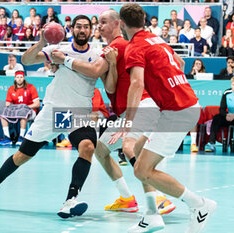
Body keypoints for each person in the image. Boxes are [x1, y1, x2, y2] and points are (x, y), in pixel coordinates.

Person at [0, 15, 100, 220]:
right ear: (72, 30)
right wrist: (42, 42)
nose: (82, 30)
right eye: (78, 26)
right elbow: (26, 60)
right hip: (54, 110)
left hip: (79, 111)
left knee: (87, 147)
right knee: (22, 156)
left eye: (86, 27)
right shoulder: (58, 49)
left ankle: (70, 200)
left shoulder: (97, 54)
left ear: (91, 31)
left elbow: (99, 72)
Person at [51, 9, 175, 216]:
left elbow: (94, 71)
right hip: (126, 111)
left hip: (141, 106)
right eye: (98, 22)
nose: (99, 25)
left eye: (103, 22)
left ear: (118, 24)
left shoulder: (118, 44)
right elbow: (110, 87)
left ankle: (159, 197)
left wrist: (64, 60)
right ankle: (127, 198)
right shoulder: (113, 49)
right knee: (100, 149)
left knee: (130, 147)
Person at [113, 3, 217, 232]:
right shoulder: (157, 39)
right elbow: (179, 63)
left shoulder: (134, 47)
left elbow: (137, 83)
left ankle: (199, 205)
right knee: (139, 156)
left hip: (176, 111)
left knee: (142, 170)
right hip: (181, 106)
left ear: (122, 23)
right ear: (143, 21)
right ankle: (151, 215)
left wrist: (128, 122)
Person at [0, 71, 40, 146]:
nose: (19, 79)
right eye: (17, 77)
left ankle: (21, 137)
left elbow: (37, 104)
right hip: (16, 111)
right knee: (3, 114)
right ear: (15, 79)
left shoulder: (31, 87)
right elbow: (8, 103)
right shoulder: (11, 89)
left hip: (30, 110)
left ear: (24, 78)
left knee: (23, 113)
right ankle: (7, 138)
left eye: (21, 77)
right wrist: (16, 108)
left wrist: (25, 106)